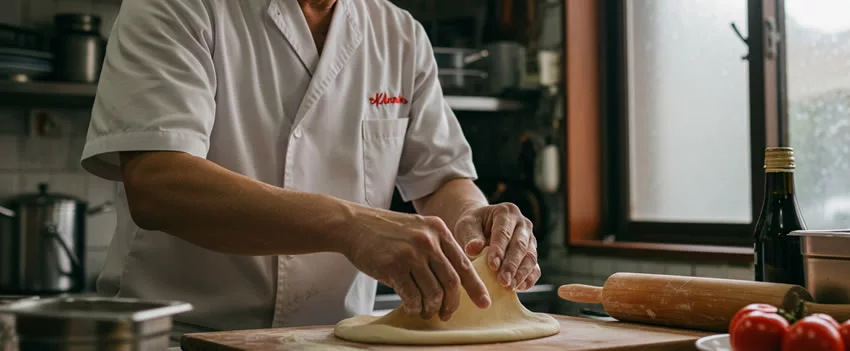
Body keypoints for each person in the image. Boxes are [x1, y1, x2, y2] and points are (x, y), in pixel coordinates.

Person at [80, 0, 540, 340]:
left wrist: (473, 220)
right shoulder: (175, 6)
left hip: (335, 340)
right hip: (185, 336)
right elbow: (158, 185)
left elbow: (443, 178)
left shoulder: (399, 33)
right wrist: (351, 226)